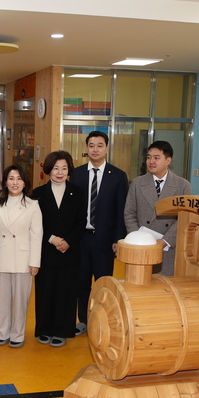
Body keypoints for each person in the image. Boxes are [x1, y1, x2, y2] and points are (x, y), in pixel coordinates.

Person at [72, 130, 128, 336]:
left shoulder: (118, 176)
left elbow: (122, 211)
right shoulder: (77, 174)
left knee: (104, 285)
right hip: (81, 239)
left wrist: (118, 239)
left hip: (104, 241)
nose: (95, 149)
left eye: (100, 145)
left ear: (107, 148)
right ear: (86, 148)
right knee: (81, 283)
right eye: (91, 145)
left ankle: (103, 321)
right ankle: (84, 321)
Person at [32, 151, 86, 347]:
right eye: (56, 168)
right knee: (45, 290)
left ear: (69, 169)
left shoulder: (78, 192)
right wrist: (52, 239)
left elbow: (81, 221)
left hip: (69, 250)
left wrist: (68, 241)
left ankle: (62, 330)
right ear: (49, 169)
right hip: (46, 249)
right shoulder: (38, 193)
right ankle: (44, 329)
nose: (60, 172)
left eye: (64, 168)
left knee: (66, 292)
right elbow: (34, 223)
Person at [0, 164, 43, 348]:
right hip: (1, 254)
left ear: (25, 182)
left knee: (20, 300)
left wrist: (35, 262)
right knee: (2, 298)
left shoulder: (32, 205)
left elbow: (37, 235)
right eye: (11, 178)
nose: (15, 182)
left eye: (19, 178)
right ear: (5, 182)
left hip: (23, 258)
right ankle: (2, 331)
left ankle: (18, 333)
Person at [124, 140, 192, 276]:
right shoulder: (137, 183)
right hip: (141, 246)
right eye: (149, 157)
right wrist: (137, 238)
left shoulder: (182, 185)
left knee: (165, 284)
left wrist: (165, 241)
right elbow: (129, 213)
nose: (151, 161)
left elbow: (185, 217)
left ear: (168, 160)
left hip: (168, 247)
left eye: (156, 158)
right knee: (139, 281)